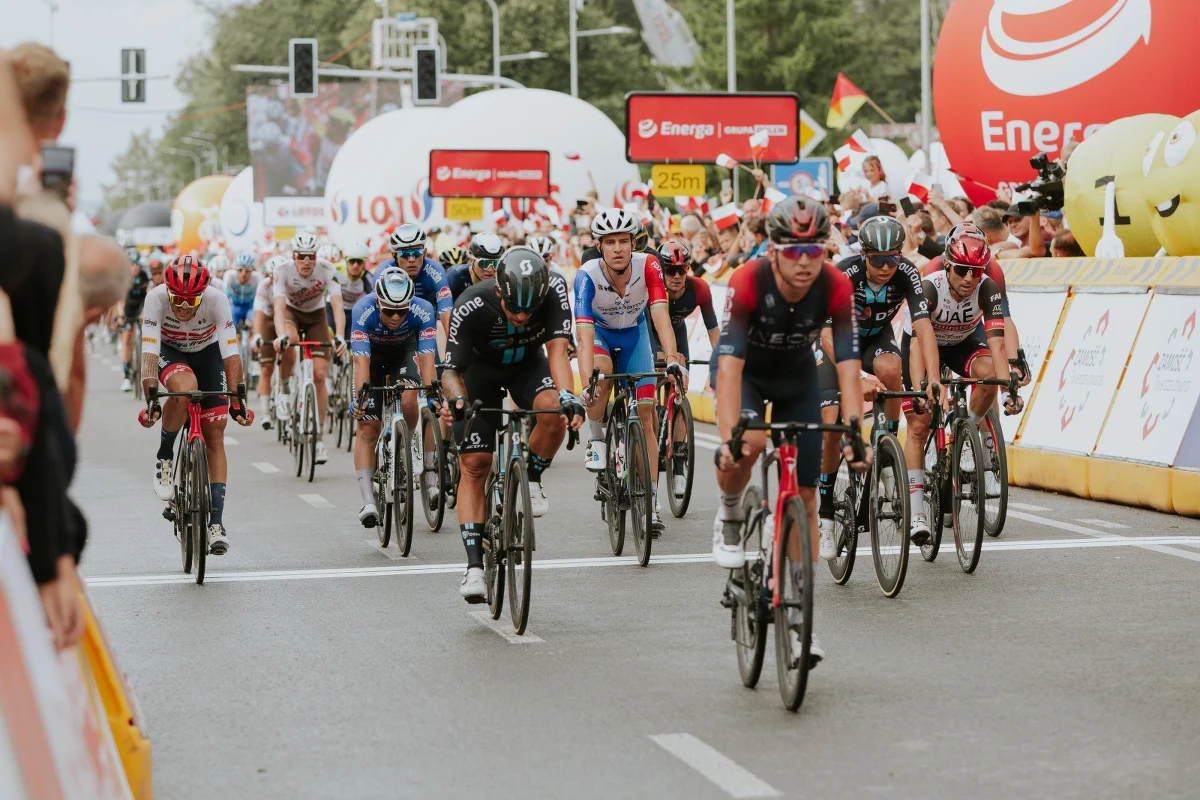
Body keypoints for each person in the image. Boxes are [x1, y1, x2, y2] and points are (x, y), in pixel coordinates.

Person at [712, 196, 871, 665]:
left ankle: (801, 621)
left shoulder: (835, 284)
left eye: (814, 251)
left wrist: (856, 432)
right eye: (794, 251)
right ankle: (729, 510)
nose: (805, 263)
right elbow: (728, 372)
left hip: (796, 376)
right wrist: (728, 440)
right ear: (774, 250)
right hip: (745, 373)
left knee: (805, 497)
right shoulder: (747, 281)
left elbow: (848, 366)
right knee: (750, 442)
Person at [438, 248, 582, 602]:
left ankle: (531, 477)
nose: (520, 316)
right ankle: (474, 568)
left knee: (554, 411)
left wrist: (568, 396)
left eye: (528, 310)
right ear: (498, 291)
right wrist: (456, 402)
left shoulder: (555, 289)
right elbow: (452, 370)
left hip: (526, 367)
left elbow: (559, 351)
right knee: (475, 465)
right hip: (478, 373)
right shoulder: (472, 302)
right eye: (513, 307)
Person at [816, 216, 940, 546]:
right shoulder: (844, 273)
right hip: (836, 343)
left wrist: (934, 379)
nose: (887, 267)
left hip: (875, 338)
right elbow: (827, 336)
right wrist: (856, 377)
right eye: (878, 260)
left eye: (893, 258)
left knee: (892, 368)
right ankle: (825, 514)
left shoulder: (907, 273)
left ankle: (885, 452)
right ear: (864, 255)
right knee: (831, 424)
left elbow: (923, 327)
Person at [903, 227, 1024, 534]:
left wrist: (1008, 382)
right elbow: (920, 342)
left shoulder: (988, 287)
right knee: (919, 422)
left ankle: (967, 428)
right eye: (962, 270)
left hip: (961, 342)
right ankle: (916, 512)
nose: (970, 278)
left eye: (976, 271)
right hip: (923, 343)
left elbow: (997, 342)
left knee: (990, 374)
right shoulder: (930, 285)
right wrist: (929, 382)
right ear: (947, 265)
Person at [574, 208, 685, 536]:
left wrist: (673, 357)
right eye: (611, 242)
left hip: (635, 335)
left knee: (647, 416)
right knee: (600, 376)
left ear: (633, 243)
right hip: (600, 335)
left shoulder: (649, 265)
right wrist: (586, 383)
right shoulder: (587, 275)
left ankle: (650, 502)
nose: (619, 248)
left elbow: (660, 315)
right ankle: (596, 436)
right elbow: (583, 339)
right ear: (600, 246)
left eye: (625, 241)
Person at [138, 255, 253, 556]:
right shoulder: (155, 299)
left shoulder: (217, 300)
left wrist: (238, 401)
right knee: (185, 389)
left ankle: (216, 523)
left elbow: (230, 354)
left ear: (204, 293)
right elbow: (149, 353)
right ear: (167, 291)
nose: (184, 307)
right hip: (170, 351)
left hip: (208, 352)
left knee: (215, 431)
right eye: (177, 299)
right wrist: (151, 399)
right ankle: (165, 456)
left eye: (192, 300)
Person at [350, 268, 437, 526]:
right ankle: (368, 502)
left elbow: (427, 357)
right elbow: (361, 361)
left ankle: (406, 443)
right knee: (367, 426)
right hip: (372, 358)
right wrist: (361, 399)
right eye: (389, 311)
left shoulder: (423, 310)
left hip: (403, 352)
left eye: (402, 311)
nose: (396, 317)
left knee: (411, 398)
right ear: (378, 303)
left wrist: (432, 392)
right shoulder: (362, 310)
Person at [271, 232, 346, 465]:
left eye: (310, 256)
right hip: (292, 314)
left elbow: (337, 306)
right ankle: (284, 389)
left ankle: (320, 437)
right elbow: (279, 309)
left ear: (316, 257)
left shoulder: (327, 270)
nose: (306, 261)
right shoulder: (282, 270)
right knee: (290, 340)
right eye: (301, 256)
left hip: (316, 317)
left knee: (320, 375)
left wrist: (341, 336)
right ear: (294, 256)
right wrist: (281, 334)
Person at [376, 224, 453, 338]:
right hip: (397, 326)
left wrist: (452, 345)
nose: (411, 259)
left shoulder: (435, 270)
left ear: (425, 253)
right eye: (404, 254)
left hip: (428, 324)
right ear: (394, 255)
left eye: (417, 253)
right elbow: (379, 314)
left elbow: (446, 311)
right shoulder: (383, 272)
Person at [250, 256, 282, 426]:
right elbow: (258, 314)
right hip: (269, 320)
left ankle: (288, 393)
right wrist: (257, 335)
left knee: (289, 358)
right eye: (271, 276)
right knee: (266, 367)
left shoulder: (289, 284)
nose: (274, 280)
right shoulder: (264, 286)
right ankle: (266, 413)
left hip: (284, 320)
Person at [120, 250, 152, 392]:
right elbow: (120, 299)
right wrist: (121, 315)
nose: (134, 268)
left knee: (146, 336)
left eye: (137, 265)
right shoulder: (124, 277)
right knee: (126, 336)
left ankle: (145, 371)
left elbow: (149, 295)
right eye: (132, 265)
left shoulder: (146, 275)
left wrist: (145, 312)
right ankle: (126, 375)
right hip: (128, 308)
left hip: (141, 306)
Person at [331, 241, 374, 334]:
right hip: (336, 309)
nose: (355, 265)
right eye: (352, 261)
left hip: (355, 312)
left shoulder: (369, 278)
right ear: (346, 261)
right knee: (329, 332)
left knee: (352, 337)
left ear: (364, 263)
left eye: (359, 262)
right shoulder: (335, 270)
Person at [446, 232, 502, 301]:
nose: (490, 269)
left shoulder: (502, 279)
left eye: (496, 263)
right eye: (484, 263)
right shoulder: (454, 277)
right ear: (471, 259)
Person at [224, 253, 260, 333]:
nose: (243, 274)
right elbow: (225, 297)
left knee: (253, 327)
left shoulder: (257, 278)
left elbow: (260, 300)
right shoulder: (229, 276)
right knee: (232, 329)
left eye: (247, 270)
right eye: (240, 270)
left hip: (250, 306)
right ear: (236, 270)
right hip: (235, 306)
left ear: (252, 271)